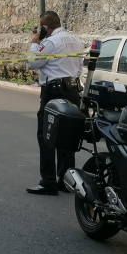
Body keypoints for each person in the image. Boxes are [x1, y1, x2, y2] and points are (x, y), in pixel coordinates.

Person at [26, 11, 84, 196]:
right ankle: (67, 181)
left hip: (54, 92)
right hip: (73, 90)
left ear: (44, 28)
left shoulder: (49, 43)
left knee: (47, 136)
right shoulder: (75, 41)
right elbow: (79, 67)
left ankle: (48, 182)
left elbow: (32, 63)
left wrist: (35, 45)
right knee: (67, 136)